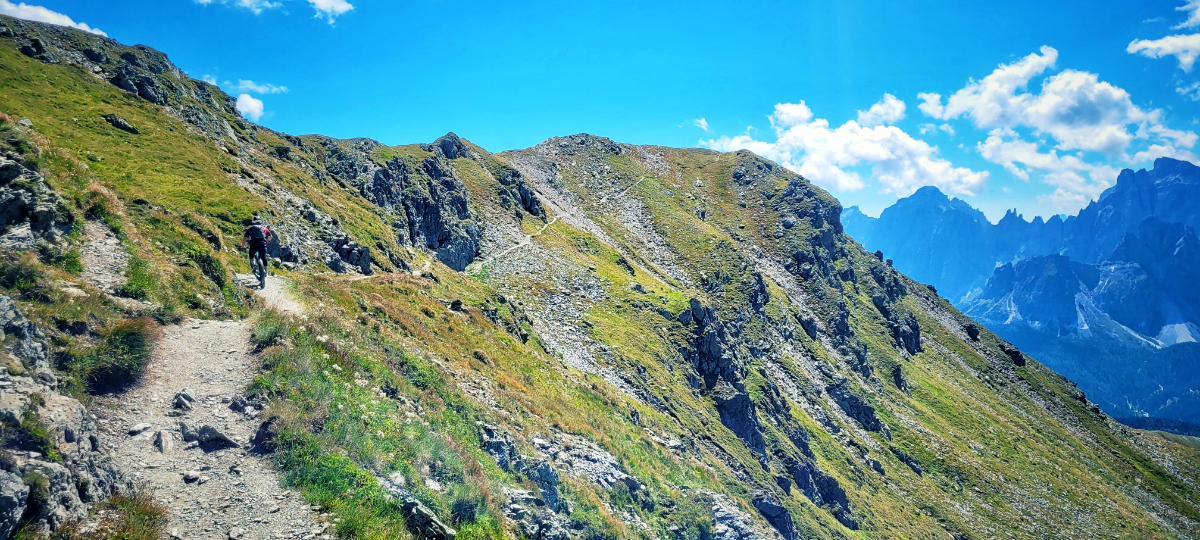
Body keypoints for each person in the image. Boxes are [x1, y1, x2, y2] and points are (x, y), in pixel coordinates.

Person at [241, 217, 273, 288]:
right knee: (264, 257)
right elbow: (270, 236)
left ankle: (253, 264)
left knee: (251, 255)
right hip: (262, 244)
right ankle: (265, 270)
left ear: (254, 221)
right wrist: (268, 241)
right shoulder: (264, 228)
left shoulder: (251, 229)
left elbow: (245, 238)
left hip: (254, 245)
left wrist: (242, 246)